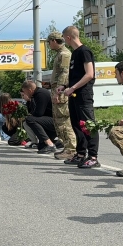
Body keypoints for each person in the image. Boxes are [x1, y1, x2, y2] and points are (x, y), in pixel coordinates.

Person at [58, 26, 100, 168]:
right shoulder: (74, 53)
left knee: (88, 125)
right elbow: (75, 76)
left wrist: (73, 88)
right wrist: (64, 86)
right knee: (77, 125)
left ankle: (93, 156)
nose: (64, 41)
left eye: (64, 38)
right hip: (74, 94)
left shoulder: (84, 51)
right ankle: (80, 154)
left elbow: (89, 74)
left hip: (83, 94)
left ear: (68, 37)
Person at [48, 31, 77, 160]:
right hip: (57, 90)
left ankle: (71, 148)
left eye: (49, 42)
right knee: (59, 121)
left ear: (54, 41)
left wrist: (57, 93)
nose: (49, 45)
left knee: (64, 121)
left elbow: (65, 74)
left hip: (60, 93)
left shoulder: (64, 54)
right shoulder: (60, 54)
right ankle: (67, 147)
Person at [19, 80, 61, 154]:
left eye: (24, 92)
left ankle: (50, 144)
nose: (24, 94)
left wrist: (29, 116)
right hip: (47, 120)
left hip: (54, 120)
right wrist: (29, 102)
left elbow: (39, 113)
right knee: (41, 147)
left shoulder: (41, 94)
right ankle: (56, 142)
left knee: (30, 119)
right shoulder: (35, 95)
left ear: (30, 90)